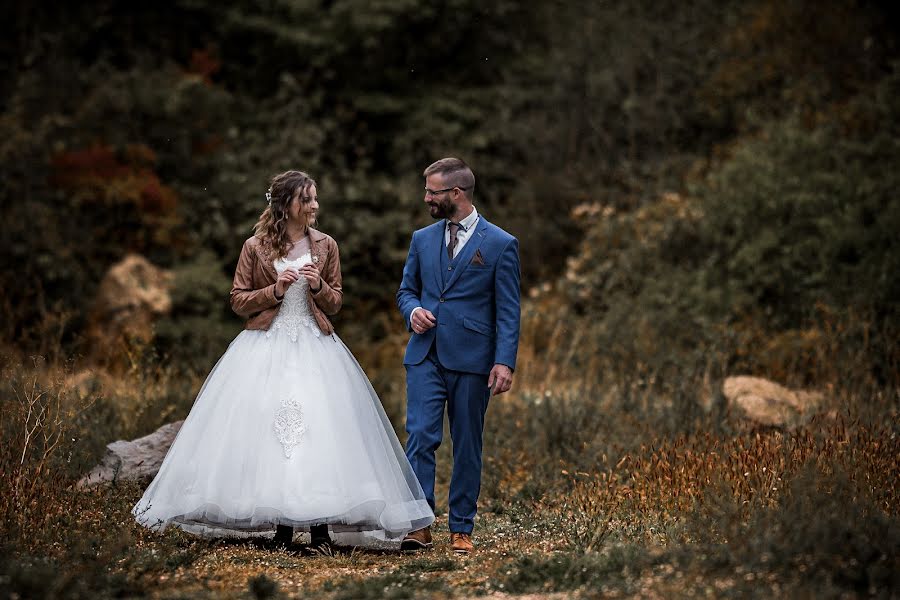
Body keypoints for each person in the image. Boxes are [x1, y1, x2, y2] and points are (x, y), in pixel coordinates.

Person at [133, 170, 434, 550]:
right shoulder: (255, 246)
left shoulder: (326, 245)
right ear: (285, 204)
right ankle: (282, 528)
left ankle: (322, 529)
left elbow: (337, 302)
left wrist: (317, 285)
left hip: (316, 346)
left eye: (315, 199)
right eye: (306, 199)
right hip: (265, 346)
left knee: (321, 430)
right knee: (268, 434)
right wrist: (274, 289)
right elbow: (238, 299)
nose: (314, 206)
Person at [396, 158, 521, 554]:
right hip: (425, 354)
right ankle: (420, 523)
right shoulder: (421, 238)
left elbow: (508, 310)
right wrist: (413, 311)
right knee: (419, 435)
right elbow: (406, 291)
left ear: (456, 194)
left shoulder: (501, 244)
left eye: (433, 191)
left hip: (473, 360)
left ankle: (461, 528)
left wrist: (504, 361)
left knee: (467, 443)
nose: (426, 197)